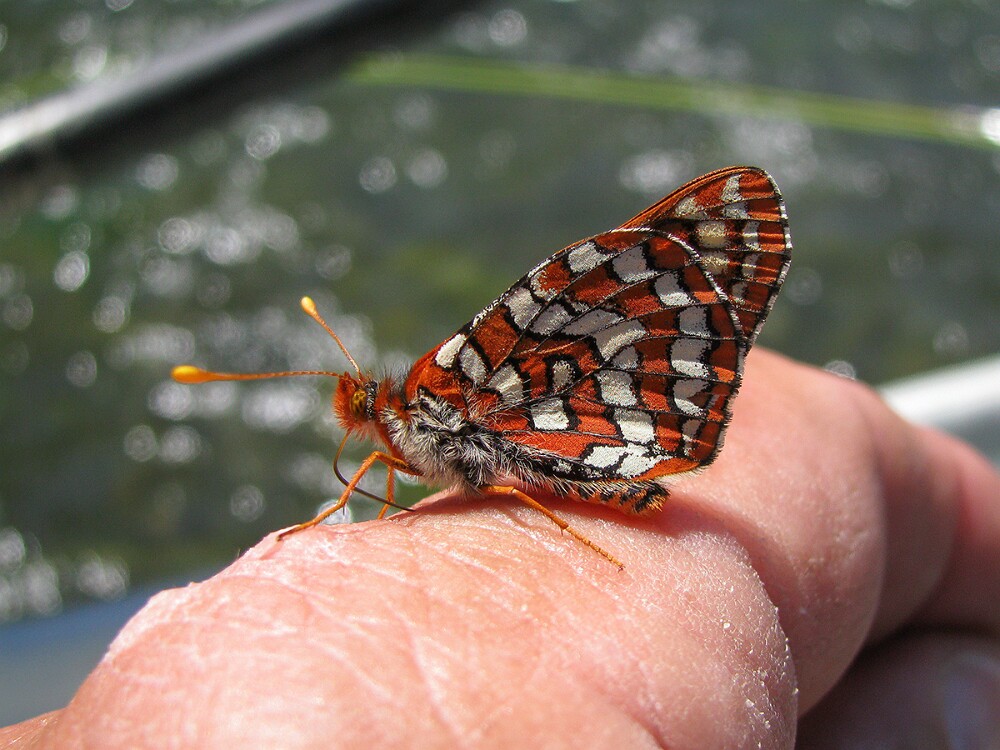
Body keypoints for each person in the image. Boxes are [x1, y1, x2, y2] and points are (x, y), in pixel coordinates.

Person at [2, 350, 999, 748]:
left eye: (361, 407)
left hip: (596, 459)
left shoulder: (441, 403)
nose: (359, 422)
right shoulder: (412, 431)